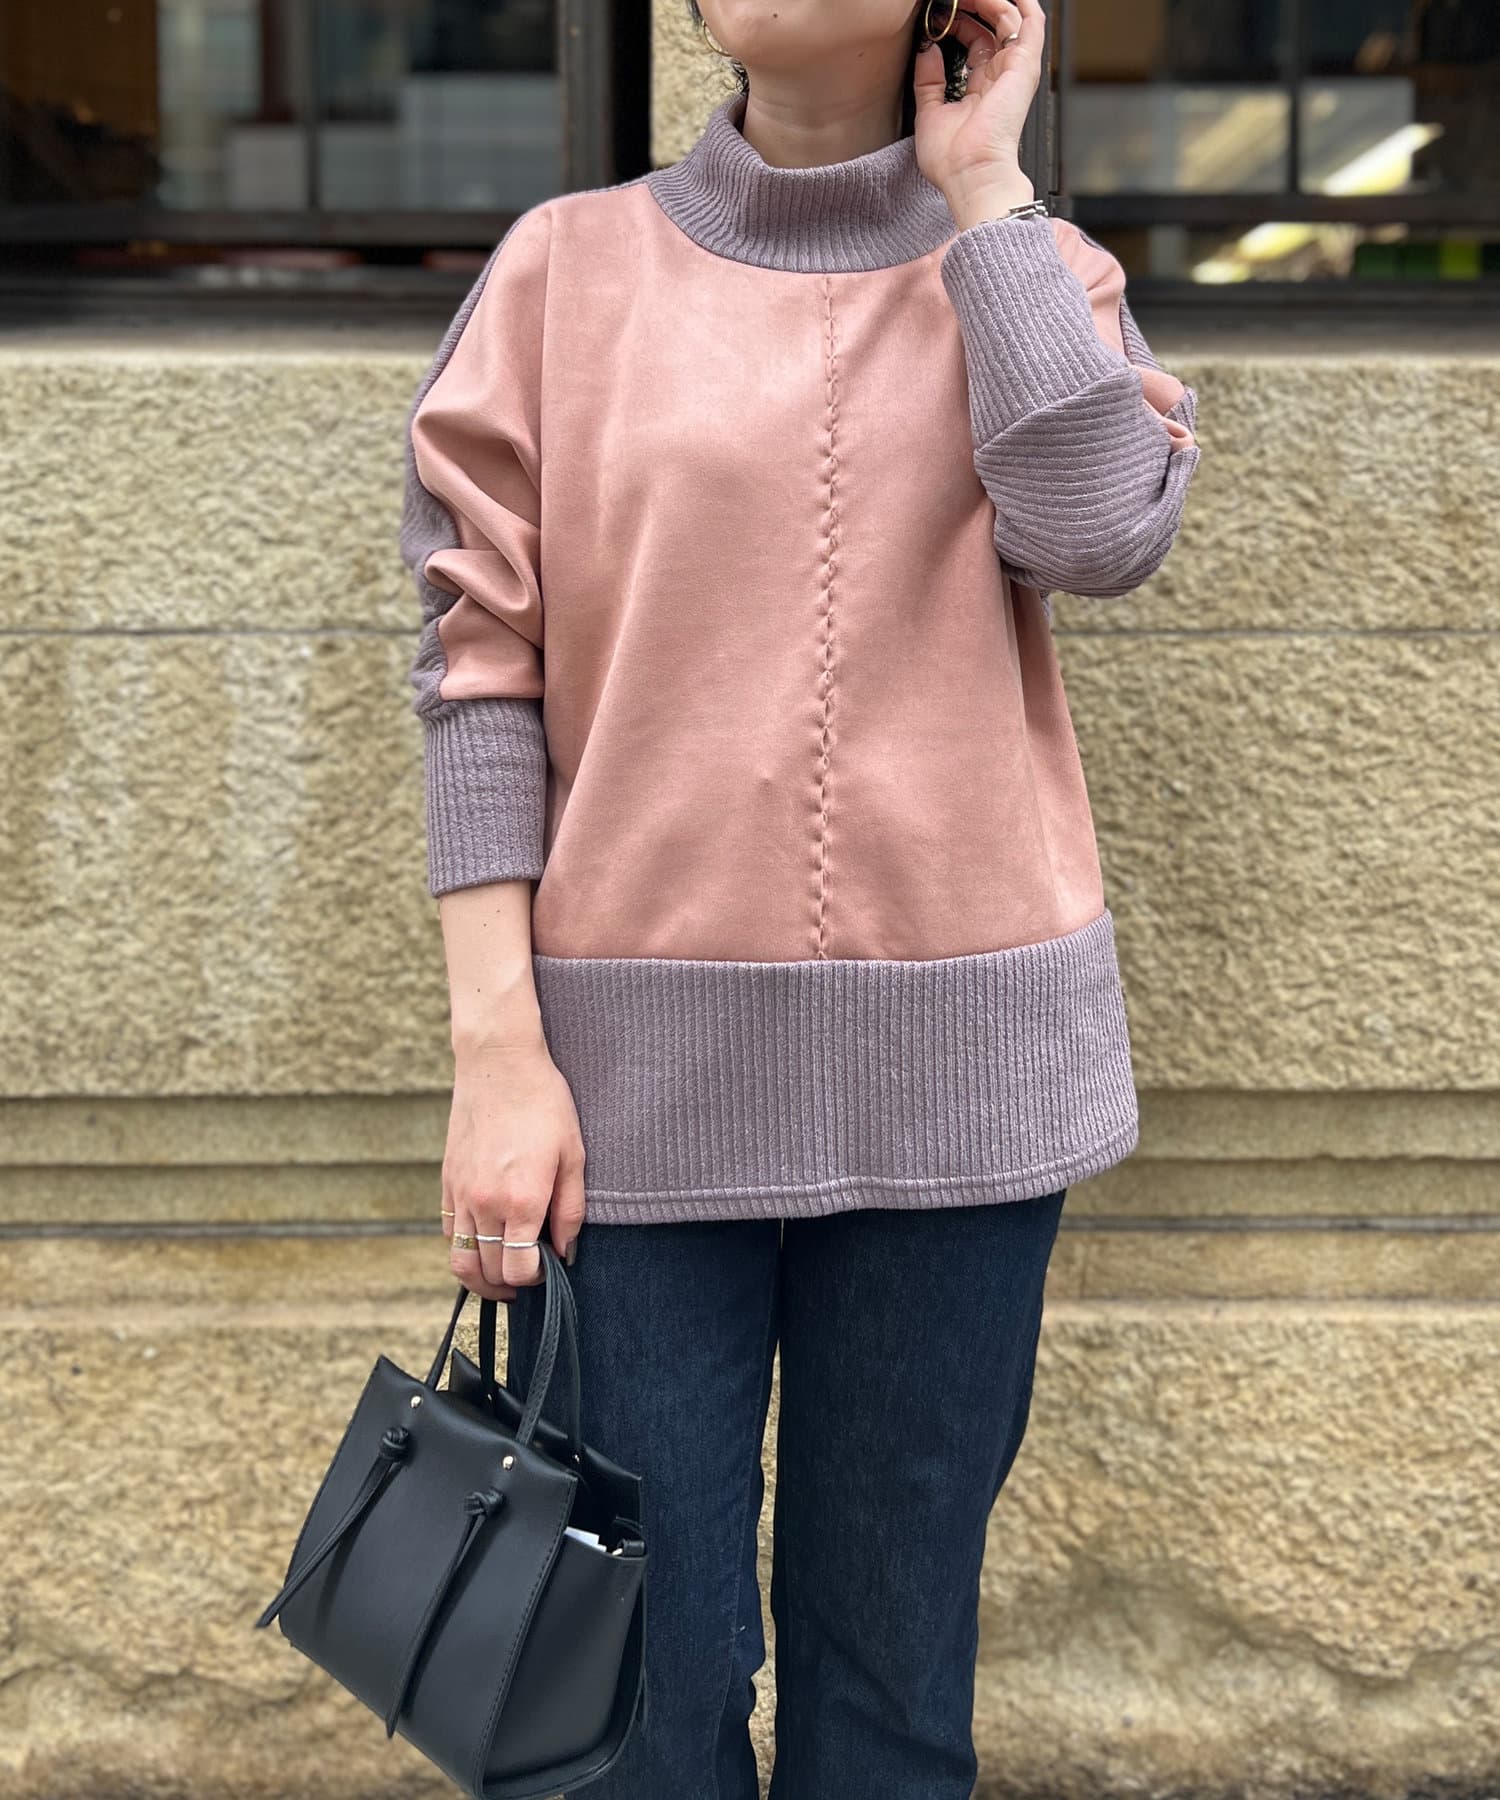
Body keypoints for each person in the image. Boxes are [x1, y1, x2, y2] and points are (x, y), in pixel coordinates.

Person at [397, 1, 1200, 1793]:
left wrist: (982, 193)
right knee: (634, 1711)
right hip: (623, 1103)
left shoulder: (1038, 272)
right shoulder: (562, 273)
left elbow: (1098, 532)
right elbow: (477, 674)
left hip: (961, 1092)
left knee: (891, 1698)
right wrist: (496, 1056)